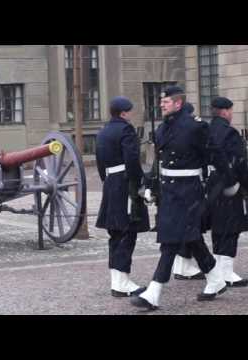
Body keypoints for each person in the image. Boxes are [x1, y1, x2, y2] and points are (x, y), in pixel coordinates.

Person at [130, 86, 226, 311]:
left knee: (170, 241)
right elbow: (159, 162)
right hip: (169, 191)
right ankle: (215, 278)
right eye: (161, 102)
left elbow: (215, 154)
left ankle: (153, 292)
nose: (161, 104)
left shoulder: (196, 127)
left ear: (178, 104)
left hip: (189, 190)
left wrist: (229, 181)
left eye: (166, 102)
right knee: (191, 238)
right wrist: (150, 186)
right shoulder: (164, 128)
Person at [95, 96, 150, 298]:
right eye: (130, 111)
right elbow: (132, 161)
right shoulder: (125, 130)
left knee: (115, 234)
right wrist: (140, 183)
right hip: (126, 184)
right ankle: (122, 282)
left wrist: (108, 182)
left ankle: (118, 280)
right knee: (127, 233)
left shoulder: (103, 132)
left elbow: (100, 163)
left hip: (111, 183)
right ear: (124, 113)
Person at [206, 96, 248, 287]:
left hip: (211, 185)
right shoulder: (230, 133)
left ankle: (218, 268)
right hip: (229, 185)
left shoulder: (206, 130)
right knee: (231, 228)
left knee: (218, 227)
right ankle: (226, 271)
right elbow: (239, 163)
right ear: (226, 111)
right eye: (231, 111)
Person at [171, 102, 205, 281]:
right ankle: (189, 267)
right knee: (190, 227)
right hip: (187, 185)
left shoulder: (169, 129)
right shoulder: (191, 130)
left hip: (170, 185)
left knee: (180, 228)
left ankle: (182, 265)